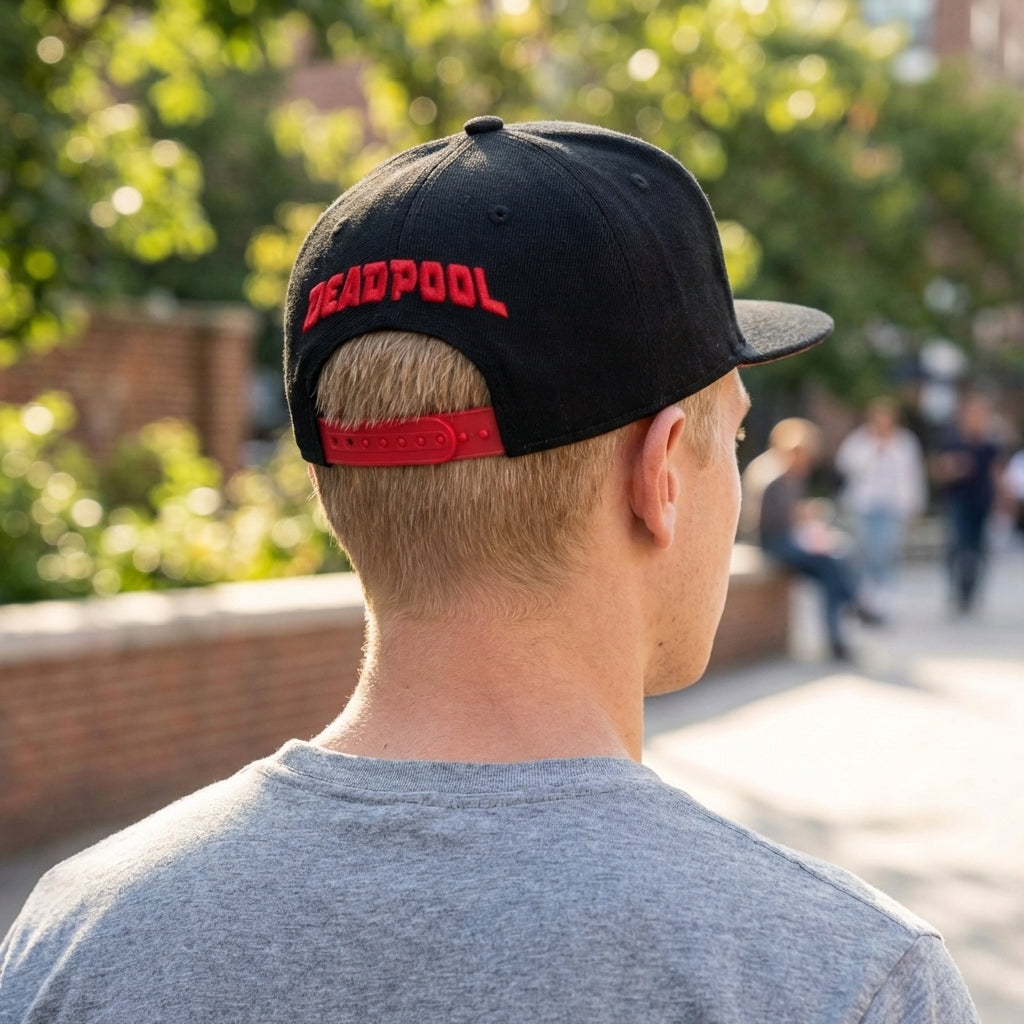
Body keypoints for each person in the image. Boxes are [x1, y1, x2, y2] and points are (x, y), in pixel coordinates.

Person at [0, 118, 977, 1022]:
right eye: (731, 436)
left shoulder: (76, 940)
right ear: (660, 474)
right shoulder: (840, 980)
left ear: (331, 480)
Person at [755, 417, 879, 661]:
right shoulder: (773, 476)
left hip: (787, 538)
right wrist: (804, 520)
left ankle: (840, 633)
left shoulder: (791, 476)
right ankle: (854, 607)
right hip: (773, 543)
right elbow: (774, 523)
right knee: (831, 563)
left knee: (834, 566)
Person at [835, 397, 928, 617]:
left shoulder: (905, 441)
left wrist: (915, 504)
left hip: (893, 504)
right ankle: (864, 597)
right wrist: (873, 453)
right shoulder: (861, 440)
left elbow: (913, 475)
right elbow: (845, 465)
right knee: (865, 549)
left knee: (886, 549)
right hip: (865, 503)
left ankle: (884, 596)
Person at [932, 392, 1005, 614]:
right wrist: (953, 468)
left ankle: (972, 592)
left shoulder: (990, 443)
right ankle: (957, 589)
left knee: (979, 549)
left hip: (982, 501)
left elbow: (997, 473)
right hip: (958, 500)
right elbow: (938, 470)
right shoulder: (951, 440)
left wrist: (1003, 500)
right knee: (958, 545)